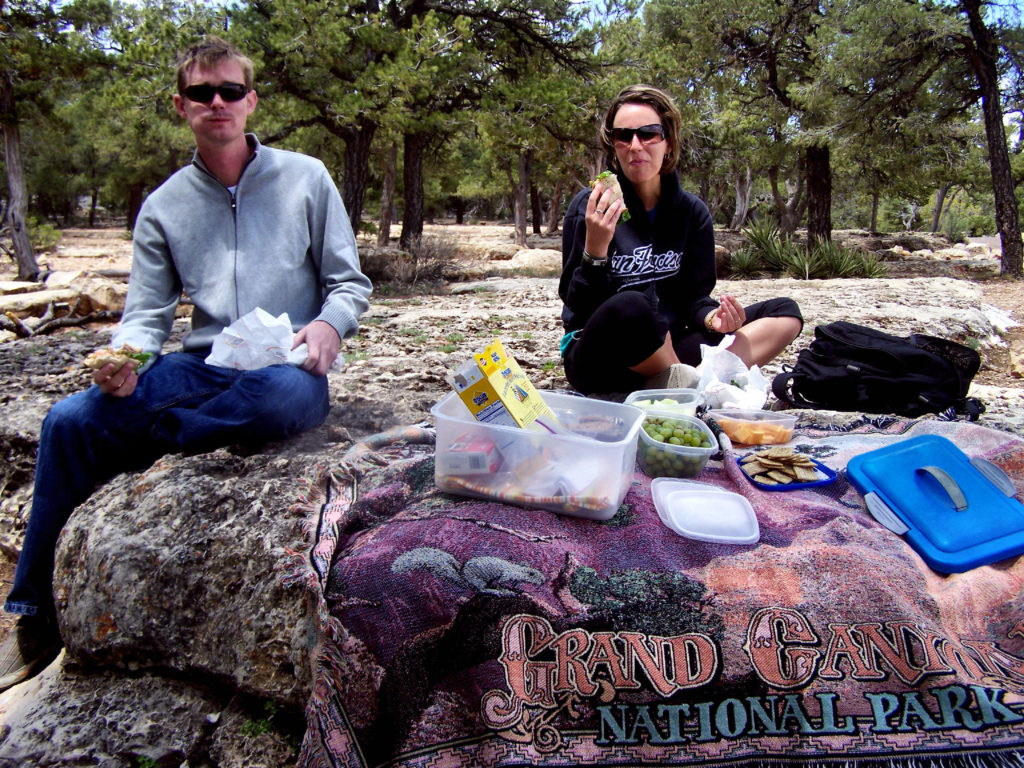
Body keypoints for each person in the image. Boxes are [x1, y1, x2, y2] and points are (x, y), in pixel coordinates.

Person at [0, 36, 372, 690]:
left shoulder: (307, 178)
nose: (218, 103)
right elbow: (146, 317)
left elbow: (349, 284)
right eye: (203, 93)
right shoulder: (165, 206)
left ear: (251, 101)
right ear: (182, 105)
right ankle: (32, 616)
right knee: (67, 421)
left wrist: (327, 327)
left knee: (280, 401)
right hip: (201, 367)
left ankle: (156, 438)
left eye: (231, 90)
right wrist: (126, 360)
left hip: (287, 368)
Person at [559, 84, 802, 395]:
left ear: (668, 142)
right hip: (604, 358)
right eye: (624, 136)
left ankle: (685, 381)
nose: (635, 145)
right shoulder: (591, 208)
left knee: (785, 312)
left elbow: (693, 299)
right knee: (632, 305)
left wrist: (714, 318)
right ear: (613, 146)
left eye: (648, 134)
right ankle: (693, 386)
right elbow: (579, 309)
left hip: (672, 343)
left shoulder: (691, 212)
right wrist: (595, 251)